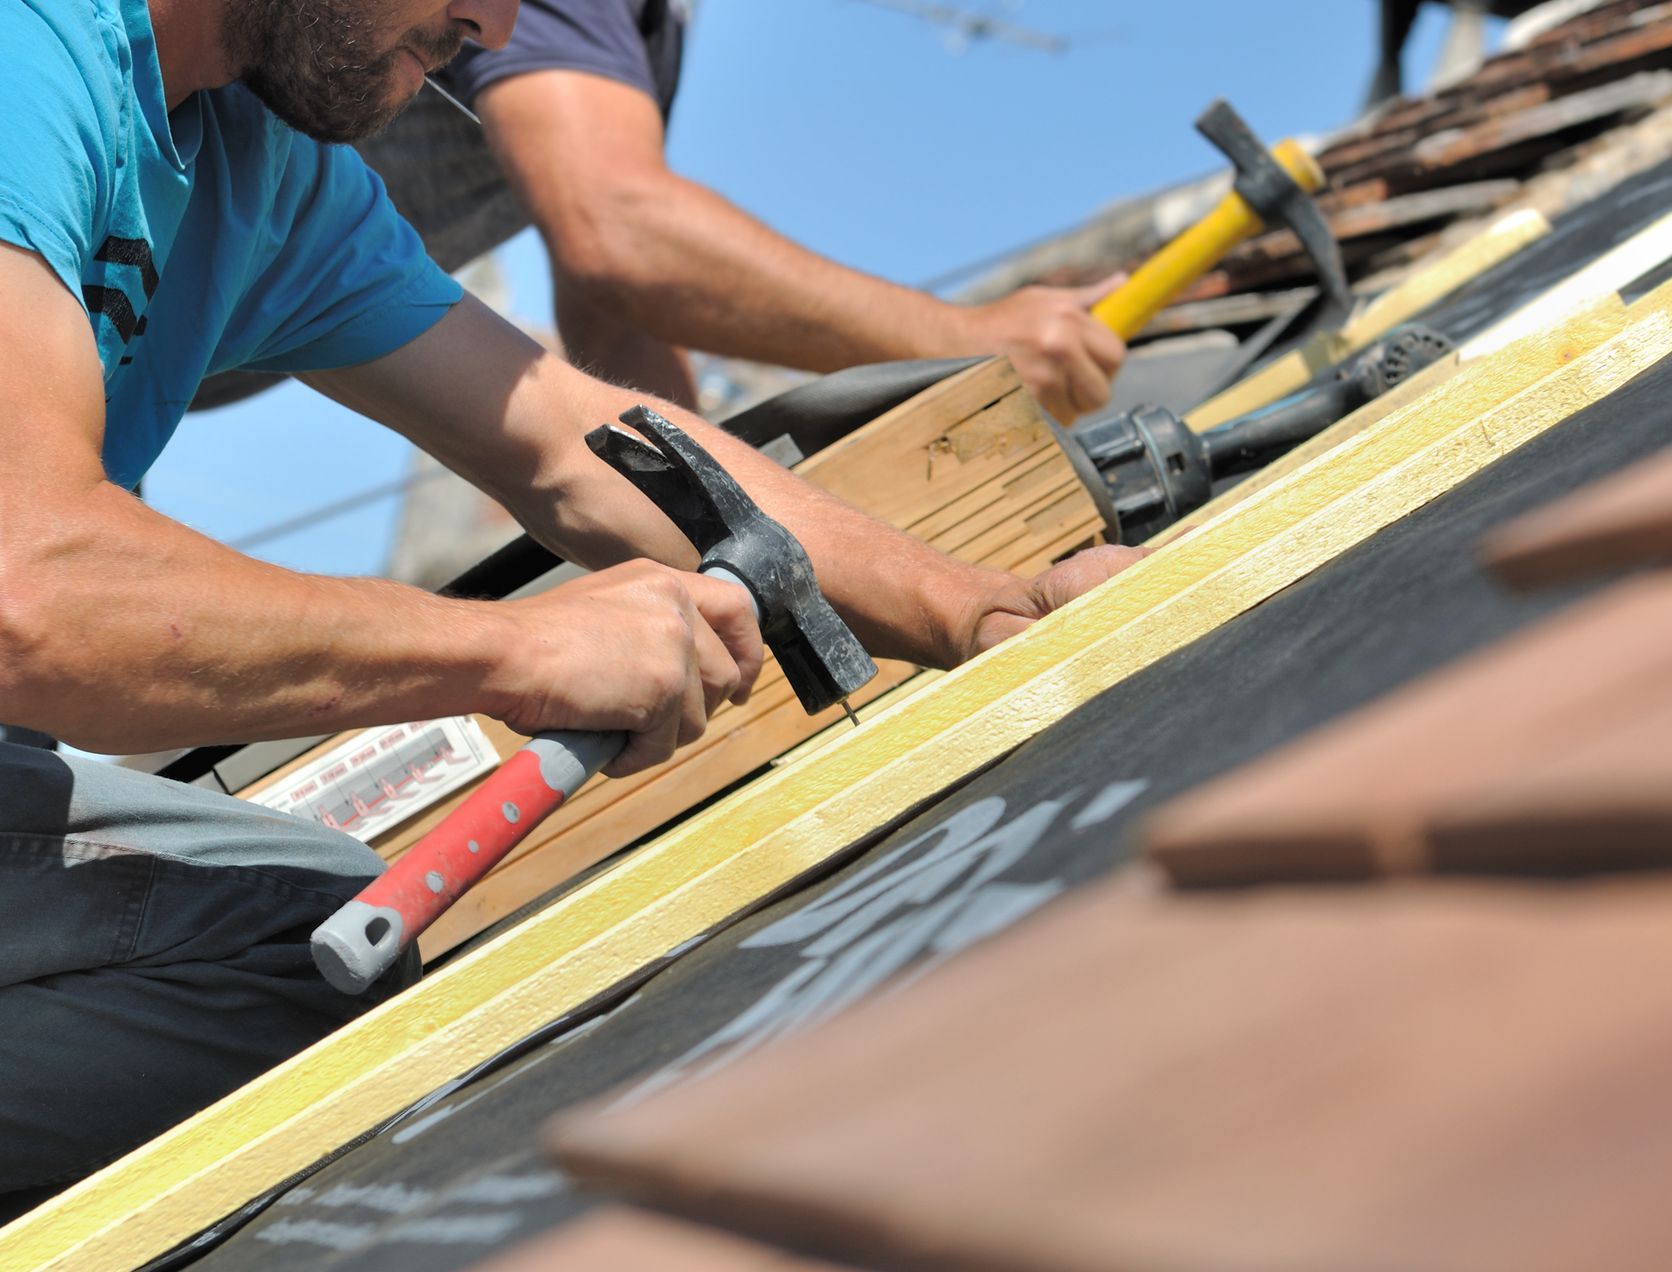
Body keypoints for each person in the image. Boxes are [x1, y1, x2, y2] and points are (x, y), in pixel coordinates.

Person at [0, 0, 1138, 1218]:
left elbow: (570, 444)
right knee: (293, 933)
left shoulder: (265, 172)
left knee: (302, 945)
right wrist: (520, 648)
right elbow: (33, 591)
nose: (492, 24)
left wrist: (988, 611)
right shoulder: (33, 53)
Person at [200, 0, 1129, 424]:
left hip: (177, 337)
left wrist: (726, 523)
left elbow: (614, 313)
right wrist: (968, 341)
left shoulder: (645, 32)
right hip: (101, 257)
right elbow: (621, 232)